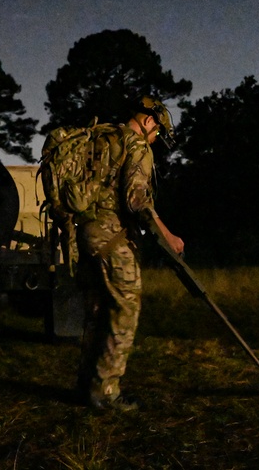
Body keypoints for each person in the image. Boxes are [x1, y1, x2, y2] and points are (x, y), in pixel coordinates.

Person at [75, 96, 184, 411]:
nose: (154, 140)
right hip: (111, 238)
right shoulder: (136, 146)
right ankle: (106, 392)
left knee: (97, 311)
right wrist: (167, 235)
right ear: (149, 122)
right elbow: (137, 200)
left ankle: (87, 386)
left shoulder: (103, 141)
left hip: (86, 236)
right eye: (156, 134)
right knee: (125, 309)